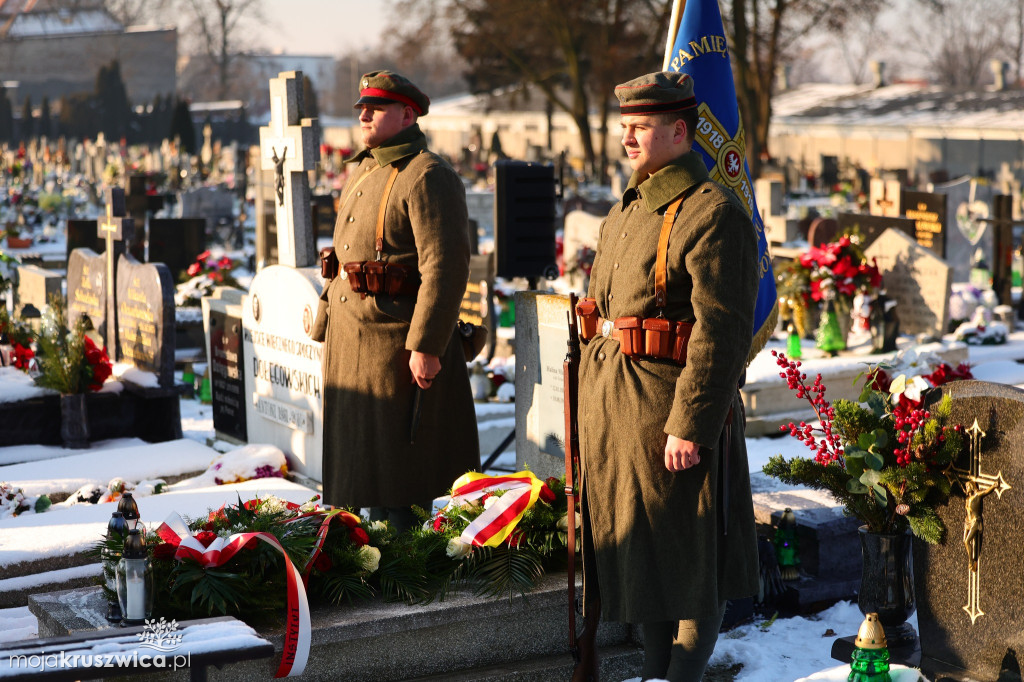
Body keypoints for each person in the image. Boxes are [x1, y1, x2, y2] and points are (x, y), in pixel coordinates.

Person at [576, 71, 760, 681]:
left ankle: (680, 676)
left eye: (641, 127)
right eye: (624, 126)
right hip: (618, 411)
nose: (627, 139)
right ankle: (657, 675)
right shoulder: (628, 208)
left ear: (679, 131)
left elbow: (722, 331)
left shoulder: (713, 215)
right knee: (645, 558)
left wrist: (691, 425)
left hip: (668, 413)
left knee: (689, 562)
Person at [316, 70, 479, 532]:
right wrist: (325, 322)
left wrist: (426, 346)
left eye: (377, 108)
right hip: (353, 343)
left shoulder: (428, 175)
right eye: (362, 107)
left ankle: (406, 583)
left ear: (407, 114)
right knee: (361, 473)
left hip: (395, 347)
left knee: (401, 479)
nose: (364, 114)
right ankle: (368, 559)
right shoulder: (365, 168)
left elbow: (445, 268)